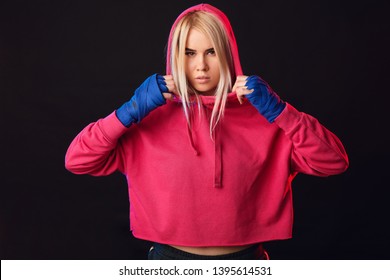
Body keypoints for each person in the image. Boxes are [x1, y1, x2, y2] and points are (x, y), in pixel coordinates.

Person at [65, 3, 349, 260]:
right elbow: (78, 159)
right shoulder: (147, 119)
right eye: (189, 53)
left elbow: (333, 161)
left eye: (211, 52)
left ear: (228, 54)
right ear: (177, 56)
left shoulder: (266, 116)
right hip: (170, 262)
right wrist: (129, 110)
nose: (200, 65)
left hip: (244, 262)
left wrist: (281, 111)